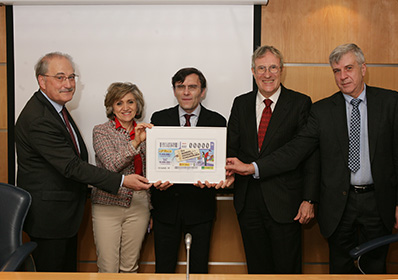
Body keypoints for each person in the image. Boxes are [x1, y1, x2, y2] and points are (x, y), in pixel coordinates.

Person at [226, 43, 398, 274]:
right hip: (338, 206)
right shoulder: (322, 110)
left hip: (378, 201)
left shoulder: (390, 102)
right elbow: (296, 150)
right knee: (339, 268)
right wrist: (253, 168)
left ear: (363, 69)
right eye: (336, 71)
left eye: (349, 68)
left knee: (375, 268)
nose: (343, 76)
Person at [15, 52, 152, 272]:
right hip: (49, 216)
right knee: (54, 274)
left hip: (64, 214)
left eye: (71, 77)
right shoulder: (39, 118)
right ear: (42, 80)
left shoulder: (57, 110)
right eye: (60, 77)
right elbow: (71, 166)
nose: (68, 84)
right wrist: (123, 181)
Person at [226, 45, 319, 274]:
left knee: (287, 271)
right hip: (248, 204)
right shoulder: (241, 103)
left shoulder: (300, 103)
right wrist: (224, 172)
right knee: (256, 270)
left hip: (286, 203)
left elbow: (307, 156)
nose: (267, 74)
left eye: (273, 68)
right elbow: (231, 148)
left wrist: (309, 199)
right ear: (253, 71)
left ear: (282, 70)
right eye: (261, 68)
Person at [150, 67, 226, 273]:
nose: (186, 92)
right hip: (165, 208)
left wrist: (218, 177)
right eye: (180, 87)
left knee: (199, 269)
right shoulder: (159, 119)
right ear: (174, 90)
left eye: (192, 87)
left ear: (202, 91)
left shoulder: (218, 122)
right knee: (163, 270)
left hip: (200, 208)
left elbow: (219, 165)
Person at [91, 82, 152, 273]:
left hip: (139, 205)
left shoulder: (149, 132)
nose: (126, 107)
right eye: (119, 103)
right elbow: (111, 165)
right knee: (108, 269)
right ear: (111, 107)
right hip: (107, 204)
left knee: (130, 267)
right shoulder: (101, 131)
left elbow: (152, 171)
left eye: (130, 102)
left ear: (138, 105)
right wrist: (135, 142)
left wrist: (151, 205)